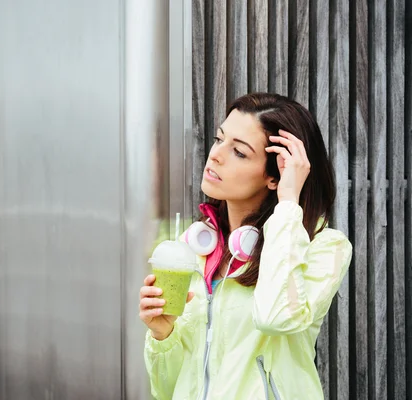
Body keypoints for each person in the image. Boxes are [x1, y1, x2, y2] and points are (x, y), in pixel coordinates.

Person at [139, 93, 352, 400]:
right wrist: (163, 334)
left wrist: (288, 203)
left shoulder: (324, 248)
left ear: (275, 176)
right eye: (219, 139)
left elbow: (276, 317)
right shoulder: (191, 250)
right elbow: (167, 390)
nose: (215, 155)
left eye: (239, 152)